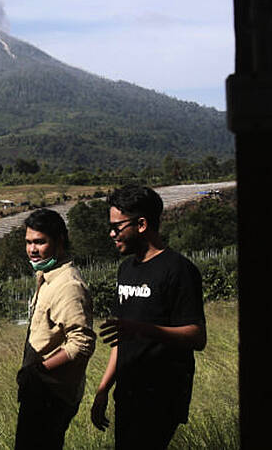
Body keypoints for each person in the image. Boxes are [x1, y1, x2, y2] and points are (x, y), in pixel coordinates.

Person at [90, 185, 206, 449]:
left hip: (161, 395)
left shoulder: (179, 270)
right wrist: (103, 389)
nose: (112, 234)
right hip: (128, 392)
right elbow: (121, 337)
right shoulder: (126, 270)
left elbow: (197, 337)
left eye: (117, 227)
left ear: (141, 224)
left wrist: (143, 329)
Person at [15, 208, 95, 449]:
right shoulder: (47, 277)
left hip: (52, 394)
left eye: (40, 242)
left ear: (59, 241)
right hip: (40, 390)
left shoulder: (67, 285)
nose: (32, 249)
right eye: (29, 242)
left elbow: (81, 343)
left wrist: (38, 370)